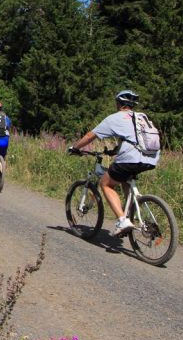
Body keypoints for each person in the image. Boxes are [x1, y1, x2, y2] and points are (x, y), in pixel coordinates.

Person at [68, 89, 159, 237]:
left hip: (131, 158)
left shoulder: (115, 118)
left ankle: (123, 221)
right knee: (124, 180)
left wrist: (75, 148)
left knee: (106, 183)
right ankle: (130, 215)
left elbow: (91, 135)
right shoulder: (141, 117)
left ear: (119, 104)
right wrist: (116, 150)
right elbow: (135, 138)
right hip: (151, 158)